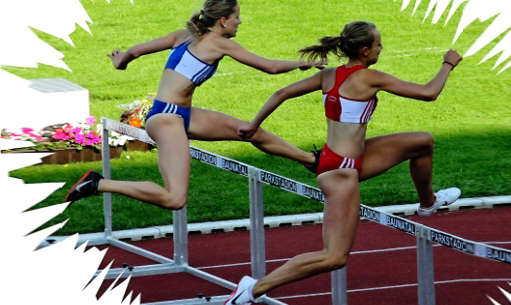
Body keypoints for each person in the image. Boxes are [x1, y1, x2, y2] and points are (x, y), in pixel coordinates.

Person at [225, 21, 462, 305]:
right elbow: (429, 92)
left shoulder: (329, 75)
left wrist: (254, 125)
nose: (381, 48)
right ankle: (252, 289)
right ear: (364, 50)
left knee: (422, 142)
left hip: (346, 158)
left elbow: (281, 93)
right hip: (340, 173)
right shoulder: (370, 77)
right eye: (378, 44)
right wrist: (448, 65)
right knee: (334, 256)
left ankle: (428, 203)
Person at [65, 0, 321, 208]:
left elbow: (134, 52)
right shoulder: (221, 44)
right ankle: (98, 184)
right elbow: (270, 67)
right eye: (237, 17)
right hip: (166, 119)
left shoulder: (182, 36)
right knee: (175, 198)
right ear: (223, 20)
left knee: (248, 130)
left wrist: (120, 62)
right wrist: (303, 64)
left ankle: (311, 160)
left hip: (179, 114)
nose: (239, 22)